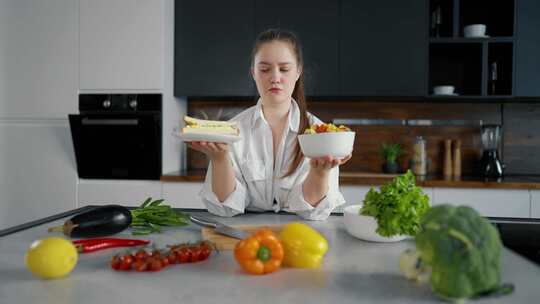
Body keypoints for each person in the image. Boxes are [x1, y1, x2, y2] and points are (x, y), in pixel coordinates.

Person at [188, 29, 351, 220]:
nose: (275, 78)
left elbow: (312, 213)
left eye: (284, 69)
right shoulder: (231, 130)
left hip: (300, 238)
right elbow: (226, 209)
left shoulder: (321, 135)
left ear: (298, 71)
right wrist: (219, 159)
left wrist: (320, 173)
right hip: (245, 237)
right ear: (253, 73)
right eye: (265, 69)